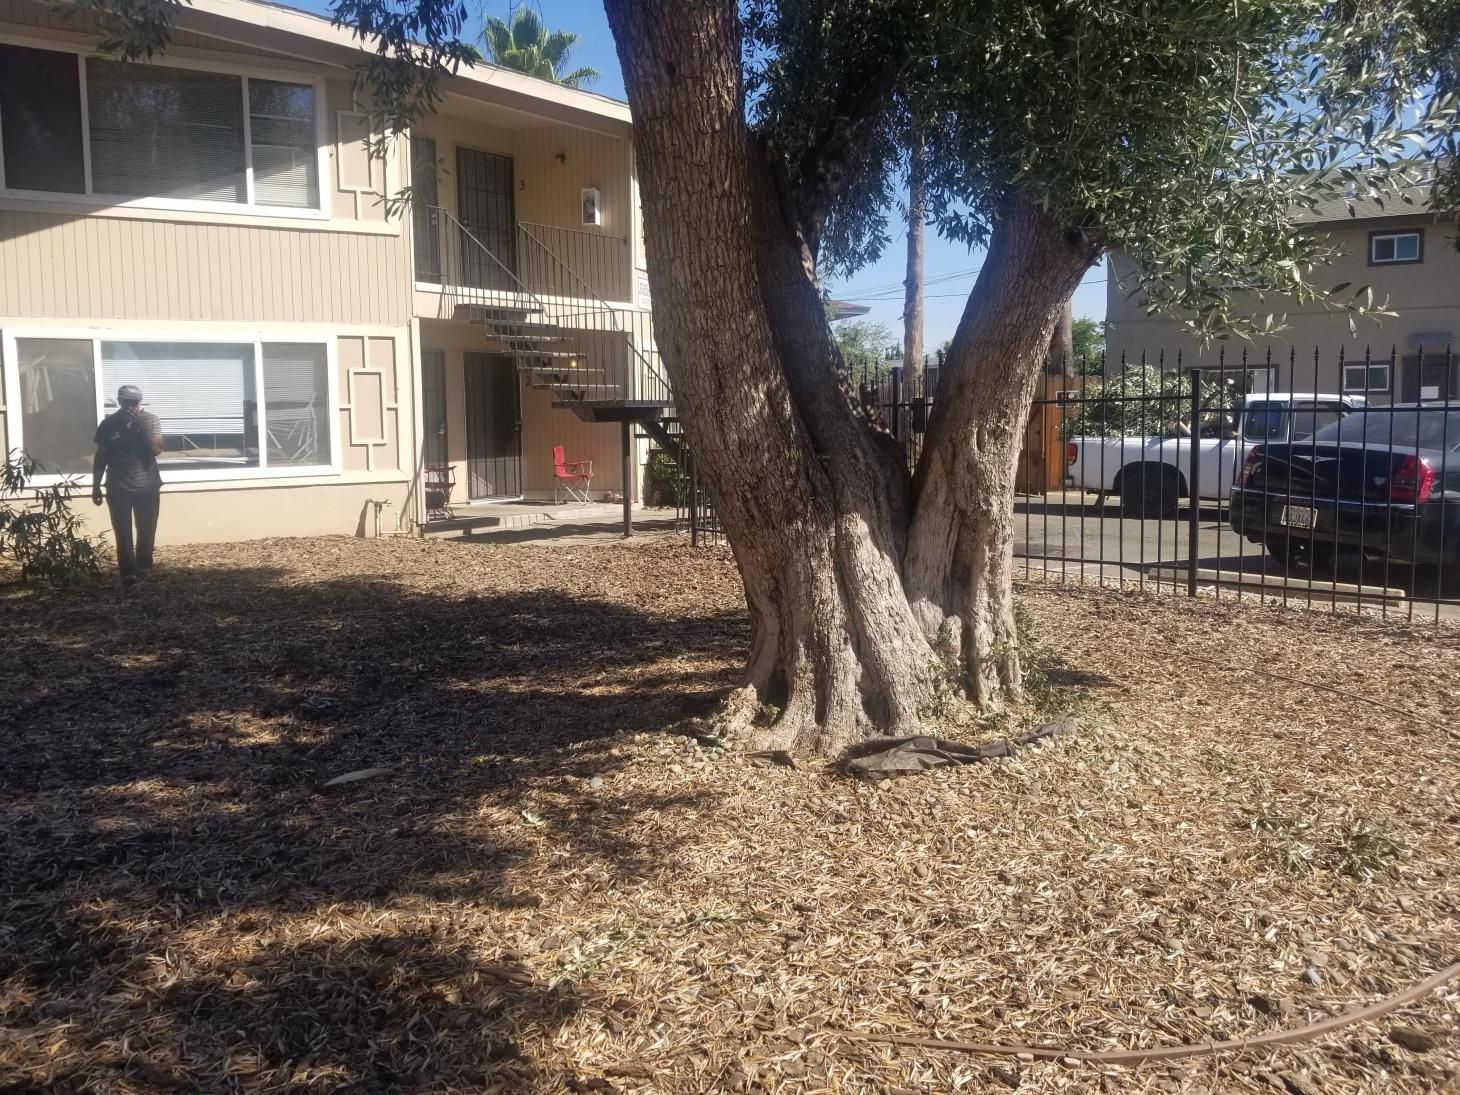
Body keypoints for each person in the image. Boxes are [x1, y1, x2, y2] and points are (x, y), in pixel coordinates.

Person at [91, 384, 164, 586]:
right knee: (122, 530)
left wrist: (142, 425)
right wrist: (95, 486)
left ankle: (144, 566)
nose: (131, 406)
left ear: (140, 402)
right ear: (120, 401)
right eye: (127, 402)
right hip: (117, 485)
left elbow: (157, 449)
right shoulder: (108, 424)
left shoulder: (150, 419)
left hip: (147, 485)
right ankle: (128, 572)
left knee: (147, 527)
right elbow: (101, 456)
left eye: (135, 402)